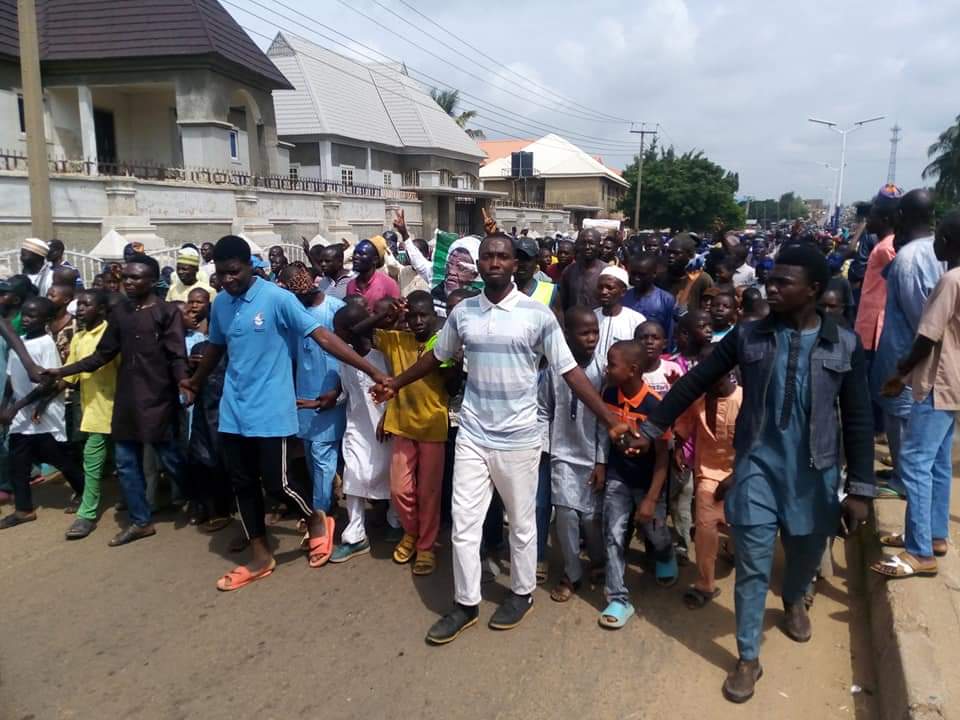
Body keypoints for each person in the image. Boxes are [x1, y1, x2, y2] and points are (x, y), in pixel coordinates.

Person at [372, 233, 644, 645]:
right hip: (473, 434)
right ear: (479, 265)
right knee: (464, 524)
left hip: (519, 438)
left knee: (521, 522)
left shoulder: (538, 316)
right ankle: (465, 603)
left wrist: (609, 421)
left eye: (503, 256)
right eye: (488, 256)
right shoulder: (463, 313)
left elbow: (569, 371)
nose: (495, 262)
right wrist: (396, 383)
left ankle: (521, 593)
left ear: (515, 264)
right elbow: (437, 356)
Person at [632, 244, 874, 703]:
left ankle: (794, 598)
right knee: (753, 564)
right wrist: (651, 427)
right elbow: (695, 381)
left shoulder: (844, 343)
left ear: (813, 290)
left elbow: (859, 417)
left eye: (784, 282)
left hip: (816, 471)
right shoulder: (748, 336)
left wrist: (860, 489)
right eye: (771, 279)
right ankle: (748, 656)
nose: (771, 288)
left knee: (804, 552)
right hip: (756, 468)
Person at [182, 235, 389, 591]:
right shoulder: (221, 304)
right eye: (222, 273)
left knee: (277, 483)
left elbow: (323, 336)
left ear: (250, 267)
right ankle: (261, 555)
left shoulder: (277, 298)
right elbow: (216, 347)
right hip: (234, 408)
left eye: (234, 272)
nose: (228, 280)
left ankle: (315, 519)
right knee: (243, 483)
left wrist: (372, 371)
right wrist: (195, 382)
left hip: (272, 408)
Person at [45, 254, 188, 547]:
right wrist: (62, 370)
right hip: (127, 400)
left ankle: (199, 498)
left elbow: (176, 355)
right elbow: (103, 354)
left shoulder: (166, 312)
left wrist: (185, 385)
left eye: (136, 277)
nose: (129, 282)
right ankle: (141, 521)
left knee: (170, 458)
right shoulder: (121, 313)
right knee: (125, 462)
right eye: (126, 277)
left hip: (158, 399)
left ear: (152, 280)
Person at [872, 210, 960, 578]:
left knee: (915, 462)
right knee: (938, 461)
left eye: (940, 237)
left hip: (937, 382)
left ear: (950, 242)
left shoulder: (950, 281)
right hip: (954, 383)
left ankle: (919, 551)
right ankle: (933, 534)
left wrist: (900, 373)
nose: (934, 243)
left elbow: (927, 336)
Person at [365, 291, 450, 576]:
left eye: (423, 315)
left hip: (433, 427)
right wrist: (387, 313)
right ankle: (412, 532)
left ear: (434, 316)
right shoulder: (396, 340)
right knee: (400, 489)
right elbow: (356, 332)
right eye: (412, 316)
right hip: (402, 424)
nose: (417, 321)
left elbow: (452, 382)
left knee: (429, 492)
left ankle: (426, 546)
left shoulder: (442, 344)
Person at [597, 340, 676, 629]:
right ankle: (618, 598)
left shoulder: (655, 405)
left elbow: (663, 458)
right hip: (619, 476)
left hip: (648, 481)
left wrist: (651, 499)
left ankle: (666, 553)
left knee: (655, 533)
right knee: (613, 535)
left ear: (632, 370)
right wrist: (601, 465)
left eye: (612, 364)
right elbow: (605, 434)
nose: (606, 369)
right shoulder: (608, 394)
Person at [873, 189, 943, 501]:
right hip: (917, 359)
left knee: (901, 418)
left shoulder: (911, 259)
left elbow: (923, 320)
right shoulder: (936, 248)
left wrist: (905, 367)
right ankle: (902, 471)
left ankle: (903, 479)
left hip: (908, 358)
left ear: (901, 215)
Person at [0, 297, 85, 530]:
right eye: (25, 314)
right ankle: (23, 509)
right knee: (18, 463)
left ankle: (84, 491)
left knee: (59, 458)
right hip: (21, 416)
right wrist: (5, 405)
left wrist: (17, 407)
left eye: (32, 316)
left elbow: (47, 384)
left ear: (46, 319)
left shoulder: (46, 344)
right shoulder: (20, 341)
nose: (26, 319)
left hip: (42, 414)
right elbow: (10, 377)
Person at [540, 306, 606, 603]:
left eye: (595, 332)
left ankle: (599, 559)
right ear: (567, 335)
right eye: (584, 333)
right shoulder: (554, 369)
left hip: (592, 456)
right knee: (566, 514)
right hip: (562, 454)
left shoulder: (604, 370)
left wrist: (602, 461)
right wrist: (544, 449)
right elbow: (543, 409)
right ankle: (572, 572)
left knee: (591, 517)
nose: (591, 338)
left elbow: (607, 421)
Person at [284, 264, 346, 566]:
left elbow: (349, 354)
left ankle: (321, 515)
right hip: (302, 396)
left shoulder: (335, 310)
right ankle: (323, 502)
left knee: (322, 456)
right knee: (310, 454)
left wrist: (338, 391)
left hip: (330, 395)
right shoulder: (293, 312)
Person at [673, 344, 742, 609]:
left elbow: (759, 444)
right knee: (705, 527)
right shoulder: (698, 400)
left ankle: (734, 550)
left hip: (743, 474)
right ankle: (705, 584)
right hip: (707, 474)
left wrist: (735, 477)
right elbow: (683, 425)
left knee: (742, 526)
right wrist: (678, 448)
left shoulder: (745, 400)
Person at [329, 303, 392, 563]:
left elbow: (398, 390)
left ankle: (395, 521)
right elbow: (347, 392)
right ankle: (355, 536)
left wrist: (389, 418)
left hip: (385, 430)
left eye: (338, 330)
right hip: (357, 429)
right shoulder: (346, 360)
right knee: (353, 476)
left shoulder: (384, 357)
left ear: (351, 331)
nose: (335, 335)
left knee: (391, 476)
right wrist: (330, 398)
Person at [61, 289, 119, 539]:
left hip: (115, 408)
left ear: (102, 309)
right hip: (93, 411)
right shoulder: (79, 338)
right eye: (79, 304)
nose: (81, 308)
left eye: (87, 304)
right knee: (94, 461)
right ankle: (87, 513)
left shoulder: (112, 334)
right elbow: (69, 375)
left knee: (126, 461)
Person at [184, 340, 232, 533]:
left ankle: (222, 509)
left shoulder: (232, 348)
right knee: (198, 461)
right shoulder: (201, 348)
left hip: (224, 410)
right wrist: (191, 367)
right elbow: (190, 384)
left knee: (222, 461)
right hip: (203, 412)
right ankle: (206, 507)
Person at [594, 265, 645, 363]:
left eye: (610, 288)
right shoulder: (592, 317)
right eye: (600, 287)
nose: (604, 292)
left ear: (623, 292)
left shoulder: (636, 320)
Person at [623, 253, 675, 341]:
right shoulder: (623, 296)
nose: (636, 278)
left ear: (654, 273)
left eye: (642, 275)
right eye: (633, 274)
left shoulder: (666, 299)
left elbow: (669, 332)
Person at [657, 232, 713, 313]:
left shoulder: (703, 279)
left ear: (690, 255)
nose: (671, 256)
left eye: (676, 253)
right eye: (669, 252)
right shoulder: (660, 277)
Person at [430, 235, 481, 318]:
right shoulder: (435, 294)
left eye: (460, 268)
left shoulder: (480, 300)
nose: (451, 272)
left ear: (474, 275)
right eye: (449, 265)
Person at [346, 239, 400, 308]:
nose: (355, 257)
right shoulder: (350, 285)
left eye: (362, 254)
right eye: (355, 253)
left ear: (375, 260)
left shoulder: (389, 284)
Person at [513, 236, 560, 315]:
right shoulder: (502, 291)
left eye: (527, 259)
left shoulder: (551, 292)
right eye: (518, 258)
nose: (521, 264)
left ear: (536, 260)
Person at [559, 228, 604, 310]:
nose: (587, 247)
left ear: (599, 246)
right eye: (583, 243)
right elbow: (562, 304)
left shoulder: (607, 272)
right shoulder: (569, 271)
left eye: (591, 243)